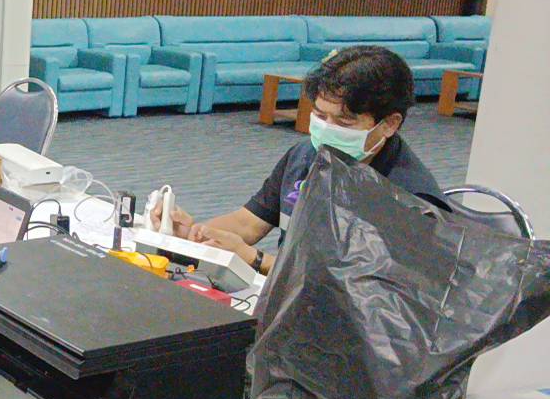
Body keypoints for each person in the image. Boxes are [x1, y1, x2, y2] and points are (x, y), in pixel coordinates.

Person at [153, 45, 444, 276]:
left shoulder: (411, 199)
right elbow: (249, 223)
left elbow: (358, 288)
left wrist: (254, 259)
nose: (327, 129)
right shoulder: (305, 155)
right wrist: (193, 234)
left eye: (344, 122)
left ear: (390, 124)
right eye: (319, 115)